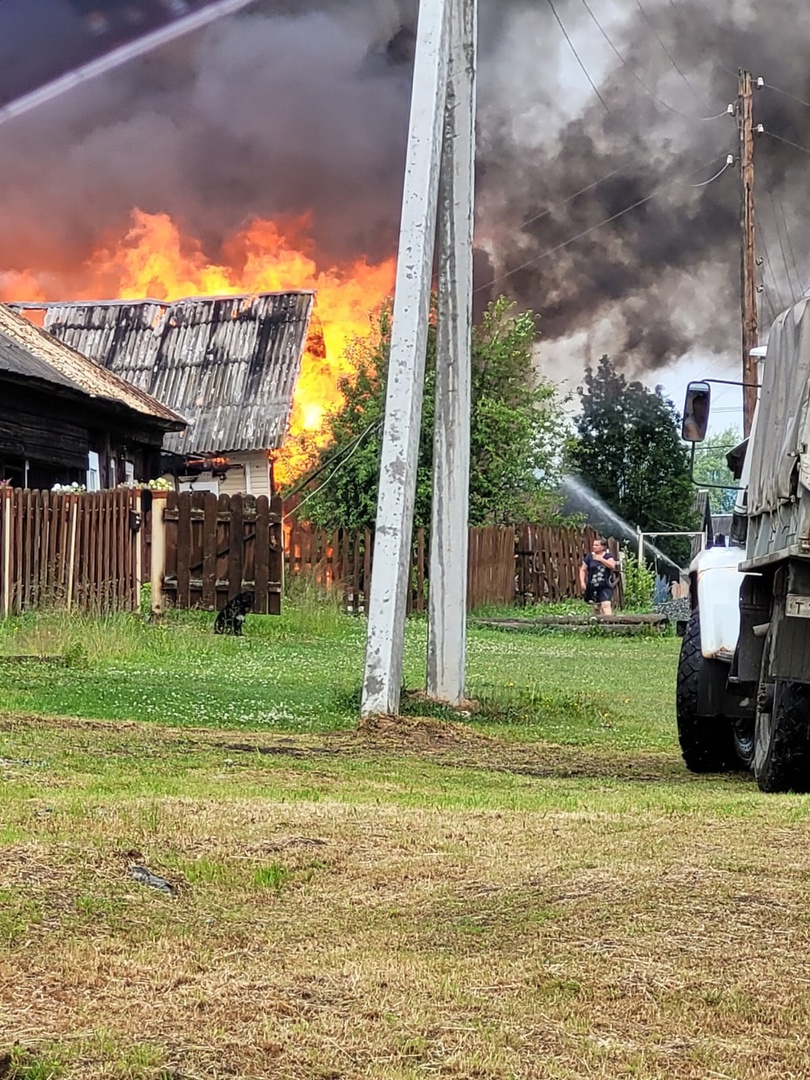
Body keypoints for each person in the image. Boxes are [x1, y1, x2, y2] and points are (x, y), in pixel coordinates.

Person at [580, 537, 617, 615]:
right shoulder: (589, 557)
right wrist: (582, 582)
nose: (594, 547)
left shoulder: (607, 556)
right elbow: (583, 570)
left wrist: (600, 559)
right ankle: (597, 624)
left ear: (603, 547)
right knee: (596, 607)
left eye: (596, 545)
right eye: (594, 545)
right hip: (592, 586)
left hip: (605, 585)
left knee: (606, 604)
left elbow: (612, 565)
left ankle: (610, 623)